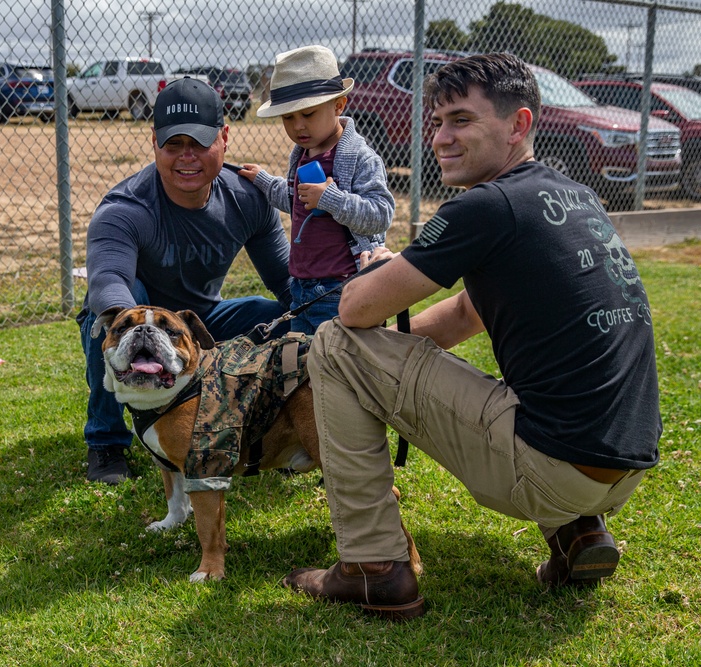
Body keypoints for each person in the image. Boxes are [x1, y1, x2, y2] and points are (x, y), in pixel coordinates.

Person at [282, 53, 662, 620]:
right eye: (436, 122)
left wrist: (377, 275)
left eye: (461, 120)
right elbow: (466, 313)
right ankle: (579, 535)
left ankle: (373, 565)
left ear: (519, 125)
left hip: (552, 470)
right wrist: (391, 365)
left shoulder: (486, 207)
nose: (441, 138)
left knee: (334, 346)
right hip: (622, 470)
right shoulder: (570, 194)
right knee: (547, 389)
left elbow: (356, 309)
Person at [78, 76, 293, 485]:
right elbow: (108, 280)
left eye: (198, 143)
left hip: (200, 317)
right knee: (103, 319)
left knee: (279, 315)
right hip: (138, 315)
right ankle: (106, 441)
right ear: (154, 142)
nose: (186, 157)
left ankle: (274, 428)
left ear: (224, 138)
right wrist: (137, 331)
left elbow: (287, 281)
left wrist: (333, 306)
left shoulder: (248, 199)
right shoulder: (125, 208)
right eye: (173, 144)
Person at [239, 45, 394, 334]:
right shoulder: (303, 154)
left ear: (339, 105)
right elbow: (294, 200)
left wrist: (331, 199)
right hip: (301, 288)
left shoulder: (358, 157)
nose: (298, 126)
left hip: (340, 289)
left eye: (308, 114)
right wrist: (262, 180)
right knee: (302, 367)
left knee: (337, 364)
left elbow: (380, 214)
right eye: (288, 117)